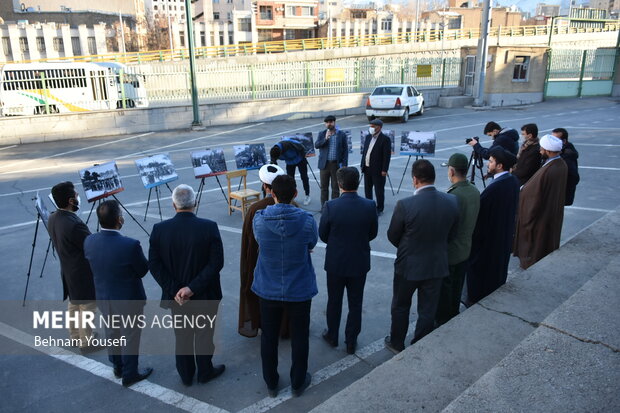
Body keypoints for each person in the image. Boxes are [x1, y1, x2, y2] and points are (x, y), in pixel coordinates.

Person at [148, 184, 225, 386]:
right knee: (204, 334)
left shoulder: (159, 230)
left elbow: (155, 265)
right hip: (204, 294)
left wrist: (176, 290)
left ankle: (186, 374)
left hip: (177, 299)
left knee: (182, 336)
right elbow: (216, 263)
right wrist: (192, 288)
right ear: (195, 203)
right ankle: (205, 370)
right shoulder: (209, 227)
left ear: (173, 205)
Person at [252, 175, 318, 398]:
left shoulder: (259, 219)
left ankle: (271, 382)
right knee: (300, 336)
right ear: (295, 194)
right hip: (298, 288)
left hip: (268, 287)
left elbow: (260, 241)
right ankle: (298, 381)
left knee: (269, 337)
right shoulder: (307, 220)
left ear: (272, 193)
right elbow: (311, 243)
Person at [385, 160, 459, 353]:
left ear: (415, 179)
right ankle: (419, 344)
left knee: (401, 306)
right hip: (436, 265)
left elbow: (393, 235)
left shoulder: (405, 204)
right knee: (427, 309)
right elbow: (452, 234)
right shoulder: (451, 201)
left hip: (408, 265)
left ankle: (396, 342)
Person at [83, 200, 152, 387]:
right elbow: (142, 270)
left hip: (104, 296)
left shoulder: (89, 241)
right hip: (128, 299)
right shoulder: (130, 245)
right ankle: (130, 373)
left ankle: (117, 365)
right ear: (119, 220)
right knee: (130, 335)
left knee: (112, 332)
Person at [319, 167, 378, 354]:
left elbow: (323, 235)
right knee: (356, 302)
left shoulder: (330, 206)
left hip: (336, 261)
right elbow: (372, 233)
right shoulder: (369, 205)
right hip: (359, 261)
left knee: (334, 301)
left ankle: (332, 335)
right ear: (358, 183)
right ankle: (351, 340)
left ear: (339, 184)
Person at [48, 181, 98, 351]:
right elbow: (90, 245)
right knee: (87, 307)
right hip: (81, 272)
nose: (78, 197)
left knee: (74, 304)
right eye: (76, 196)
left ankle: (75, 336)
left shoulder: (53, 217)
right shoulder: (74, 224)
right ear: (70, 200)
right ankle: (87, 342)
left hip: (68, 270)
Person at [466, 147, 520, 304]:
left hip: (489, 241)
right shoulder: (512, 180)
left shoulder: (496, 187)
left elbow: (480, 215)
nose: (488, 164)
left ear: (499, 166)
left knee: (483, 277)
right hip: (503, 236)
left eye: (490, 162)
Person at [239, 164, 287, 338]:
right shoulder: (293, 205)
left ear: (265, 186)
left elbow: (248, 243)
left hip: (263, 264)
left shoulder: (255, 209)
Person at [435, 154, 480, 326]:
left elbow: (447, 228)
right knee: (457, 288)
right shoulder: (474, 191)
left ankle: (442, 322)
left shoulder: (454, 195)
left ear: (452, 170)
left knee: (445, 292)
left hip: (451, 252)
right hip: (465, 250)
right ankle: (452, 316)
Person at [513, 135, 568, 269]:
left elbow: (534, 194)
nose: (540, 151)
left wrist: (523, 193)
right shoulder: (559, 164)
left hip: (541, 215)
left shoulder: (551, 169)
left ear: (548, 151)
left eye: (542, 149)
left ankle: (530, 263)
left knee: (536, 243)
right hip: (549, 211)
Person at [315, 115, 349, 207]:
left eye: (331, 122)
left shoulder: (341, 134)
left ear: (334, 122)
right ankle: (324, 207)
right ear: (325, 124)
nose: (329, 124)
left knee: (335, 188)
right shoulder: (322, 134)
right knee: (324, 188)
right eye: (327, 122)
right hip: (324, 165)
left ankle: (334, 207)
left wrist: (345, 165)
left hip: (335, 165)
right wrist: (325, 139)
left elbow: (345, 150)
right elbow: (317, 145)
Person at [361, 118, 391, 216]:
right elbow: (365, 152)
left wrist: (384, 170)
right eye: (370, 126)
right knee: (367, 189)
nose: (371, 128)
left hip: (378, 170)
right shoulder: (368, 137)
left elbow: (387, 156)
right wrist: (362, 165)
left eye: (373, 126)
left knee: (379, 190)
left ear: (379, 127)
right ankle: (369, 205)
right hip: (367, 167)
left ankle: (380, 208)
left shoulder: (385, 139)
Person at [270, 138, 311, 205]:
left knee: (304, 177)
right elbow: (274, 163)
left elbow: (301, 148)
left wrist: (304, 157)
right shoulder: (274, 152)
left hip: (300, 159)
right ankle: (291, 197)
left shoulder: (288, 145)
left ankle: (307, 195)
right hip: (289, 163)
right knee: (290, 180)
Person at [552, 128, 580, 206]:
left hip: (560, 196)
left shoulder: (567, 156)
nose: (552, 142)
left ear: (564, 141)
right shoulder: (558, 151)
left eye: (555, 140)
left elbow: (574, 178)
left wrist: (559, 189)